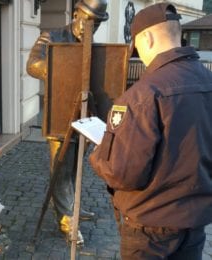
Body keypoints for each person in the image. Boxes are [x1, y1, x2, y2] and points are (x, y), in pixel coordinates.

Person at [89, 3, 212, 259]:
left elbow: (122, 173)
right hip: (195, 221)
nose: (141, 56)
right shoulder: (208, 82)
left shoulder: (142, 95)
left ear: (149, 38)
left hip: (150, 232)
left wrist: (100, 154)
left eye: (138, 47)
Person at [26, 0, 109, 244]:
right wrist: (65, 66)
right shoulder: (51, 36)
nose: (89, 29)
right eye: (86, 21)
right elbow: (32, 65)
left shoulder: (92, 44)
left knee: (75, 168)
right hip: (60, 115)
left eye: (95, 25)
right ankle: (65, 219)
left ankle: (72, 207)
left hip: (85, 117)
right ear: (75, 14)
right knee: (61, 171)